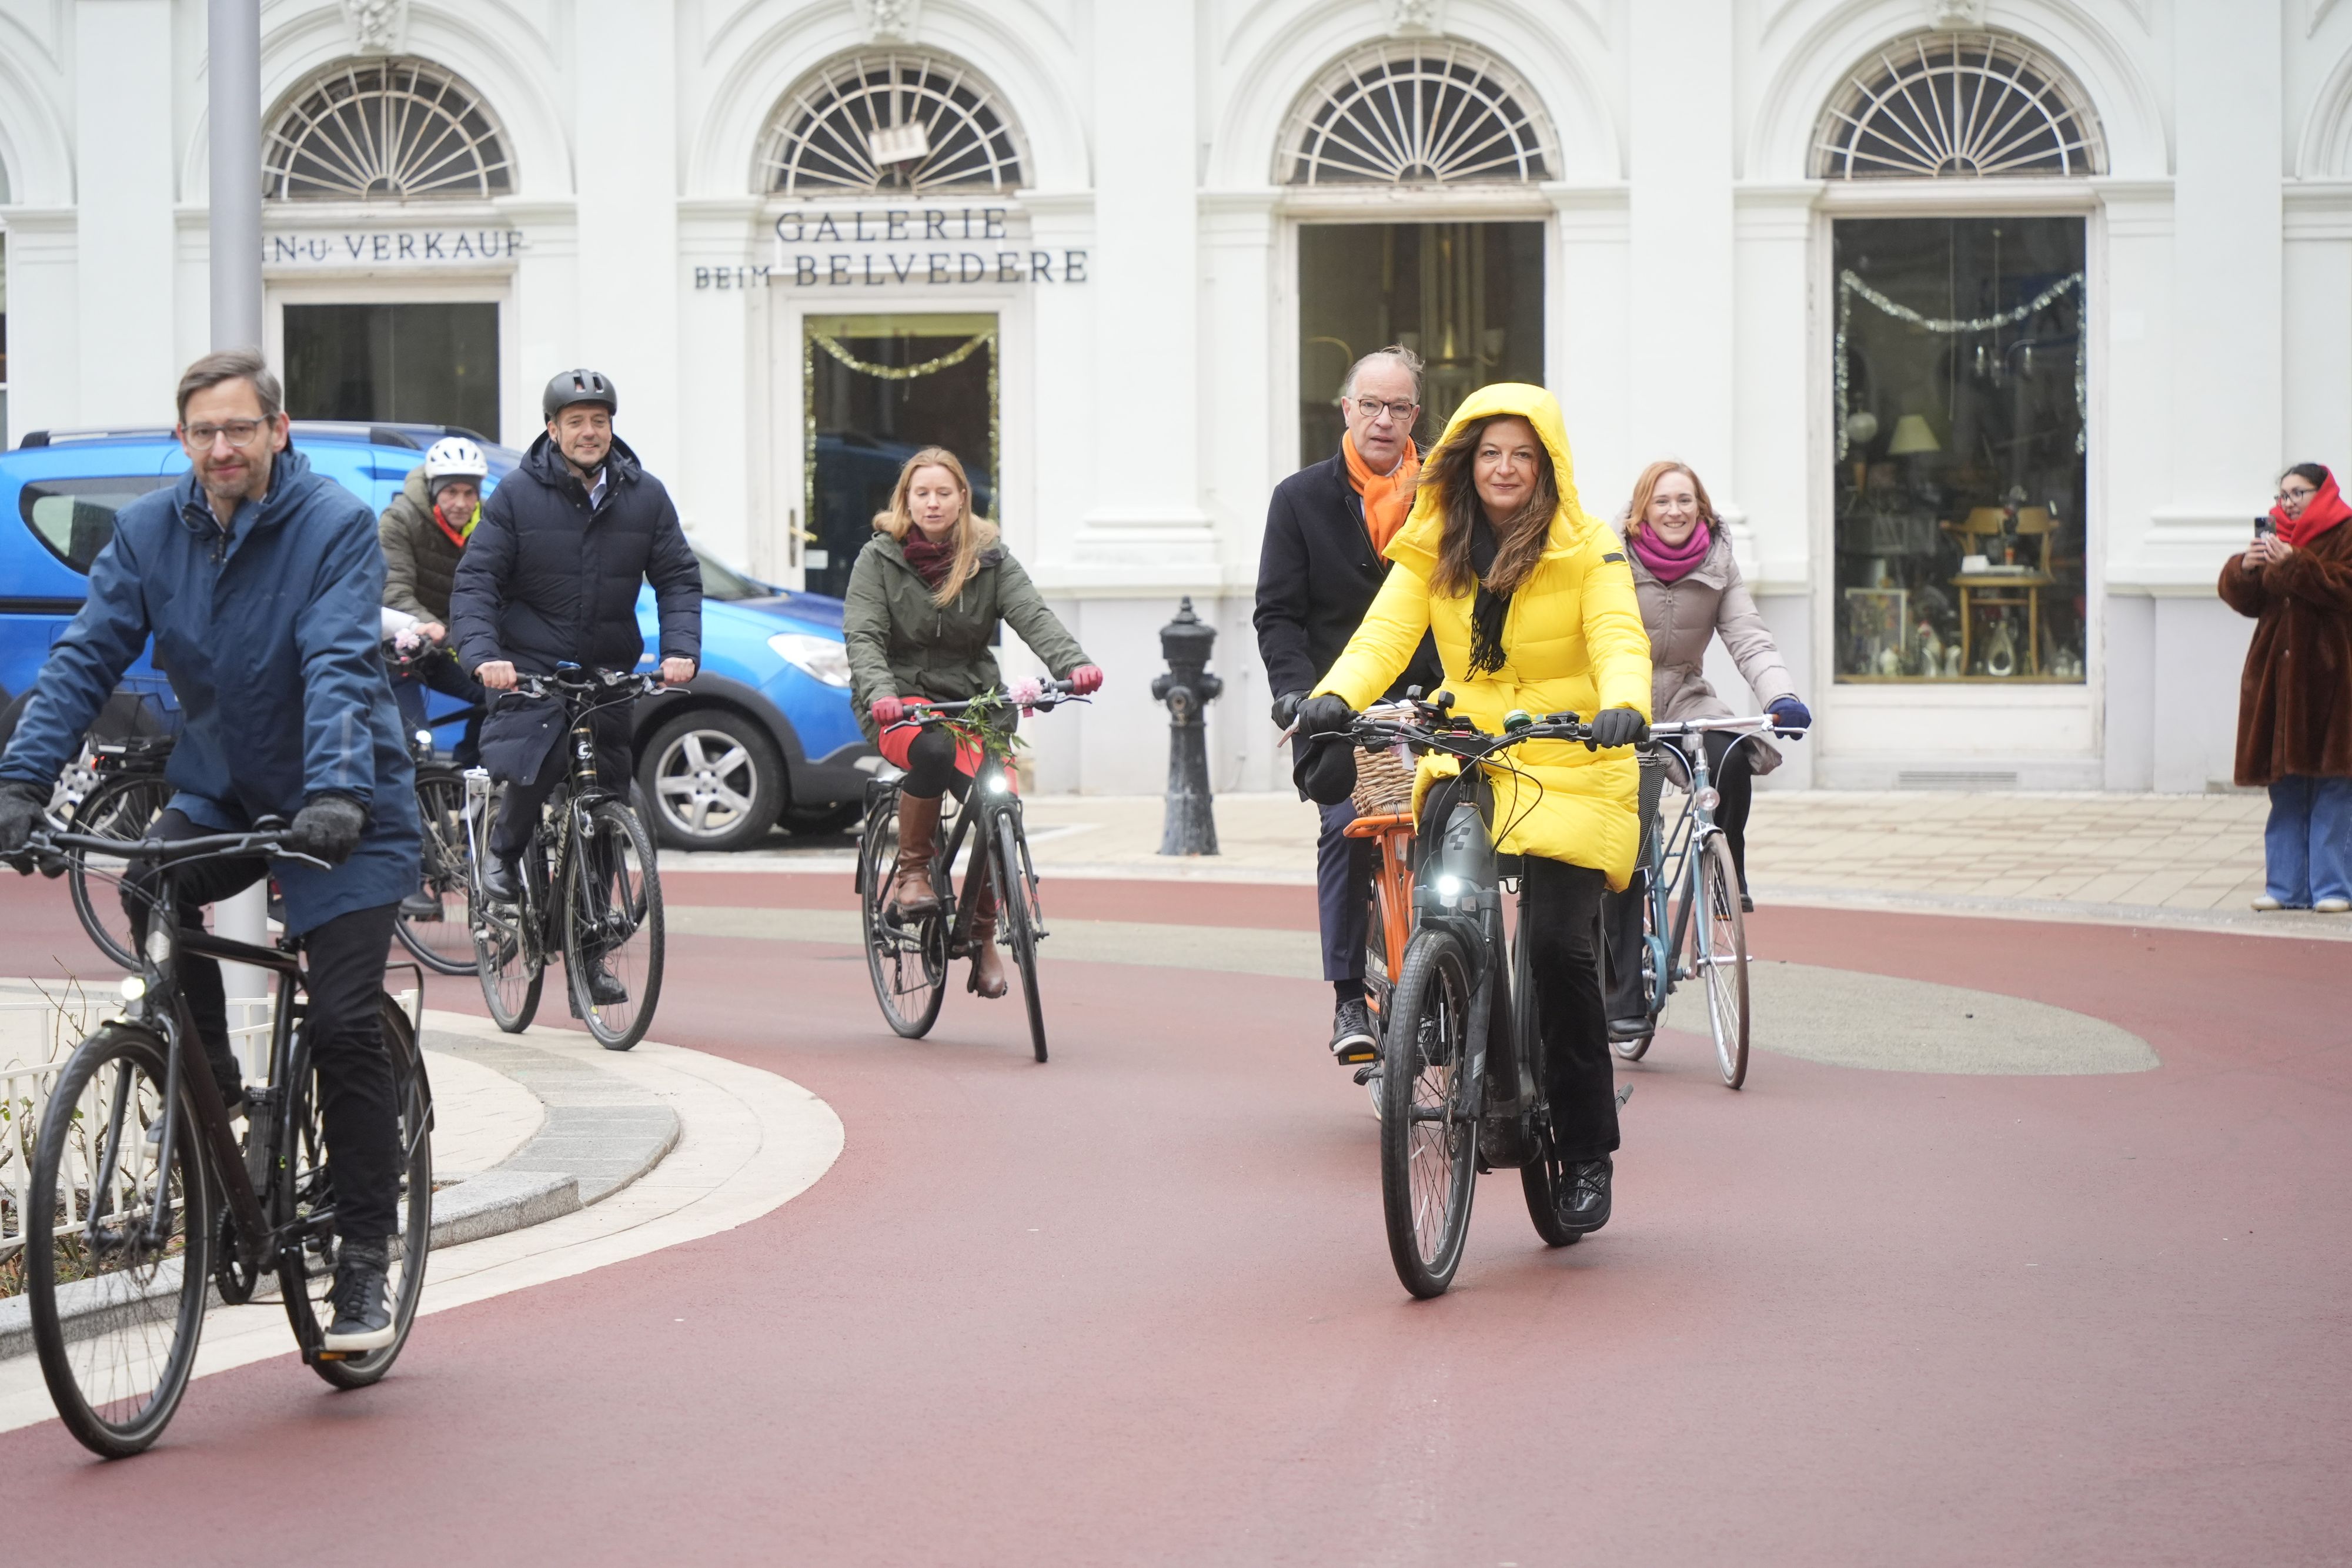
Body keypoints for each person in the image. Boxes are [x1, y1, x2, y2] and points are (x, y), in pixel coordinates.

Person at [0, 350, 419, 1351]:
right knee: (151, 882)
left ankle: (364, 1255)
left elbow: (337, 661)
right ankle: (216, 1081)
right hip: (225, 790)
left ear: (279, 430)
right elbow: (85, 654)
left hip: (347, 803)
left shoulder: (333, 527)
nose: (222, 448)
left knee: (348, 1021)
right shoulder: (149, 532)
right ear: (183, 440)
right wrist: (21, 780)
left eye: (240, 428)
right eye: (203, 432)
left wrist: (332, 792)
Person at [1293, 383, 1650, 1236]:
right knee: (1444, 896)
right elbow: (1380, 637)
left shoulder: (1588, 545)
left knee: (1563, 947)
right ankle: (1445, 1000)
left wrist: (1625, 703)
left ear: (1547, 466)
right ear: (1464, 459)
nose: (1504, 468)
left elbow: (1618, 637)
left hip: (1572, 756)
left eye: (1522, 454)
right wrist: (1332, 695)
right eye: (1489, 452)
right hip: (1474, 748)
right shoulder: (1435, 545)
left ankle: (1588, 1148)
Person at [450, 369, 703, 1002]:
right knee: (532, 767)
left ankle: (590, 962)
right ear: (552, 429)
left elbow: (677, 576)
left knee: (602, 814)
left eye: (599, 421)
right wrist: (484, 656)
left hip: (607, 675)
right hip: (528, 668)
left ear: (611, 427)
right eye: (575, 422)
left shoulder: (644, 495)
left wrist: (680, 650)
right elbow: (476, 580)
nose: (588, 432)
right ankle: (503, 856)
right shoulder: (514, 496)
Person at [843, 446, 1102, 998]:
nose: (932, 503)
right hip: (901, 704)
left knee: (997, 800)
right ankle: (913, 872)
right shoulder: (878, 558)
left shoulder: (989, 558)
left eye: (943, 492)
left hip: (973, 705)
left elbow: (1033, 615)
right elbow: (863, 636)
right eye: (922, 493)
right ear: (906, 500)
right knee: (932, 753)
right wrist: (883, 693)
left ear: (963, 498)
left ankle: (982, 936)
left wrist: (1073, 664)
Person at [1254, 346, 1444, 1064]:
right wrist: (1295, 697)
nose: (1384, 420)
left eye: (1399, 408)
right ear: (1346, 408)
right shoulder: (1299, 498)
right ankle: (1345, 999)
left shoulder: (1446, 498)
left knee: (1457, 833)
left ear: (1415, 417)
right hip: (1336, 712)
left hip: (1432, 707)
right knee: (1347, 826)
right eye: (1371, 405)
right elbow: (1278, 615)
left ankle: (1446, 977)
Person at [1602, 460, 1810, 1034]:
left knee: (1732, 750)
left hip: (1688, 696)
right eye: (1662, 501)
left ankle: (1727, 866)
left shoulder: (1717, 562)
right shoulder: (1608, 556)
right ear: (1641, 509)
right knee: (1619, 850)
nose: (1674, 511)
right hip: (1623, 707)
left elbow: (1747, 635)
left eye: (1685, 500)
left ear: (1702, 508)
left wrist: (1781, 695)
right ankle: (1620, 999)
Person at [2219, 462, 2352, 912]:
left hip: (2333, 677)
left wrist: (2298, 565)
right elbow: (2246, 602)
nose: (2288, 502)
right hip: (2279, 679)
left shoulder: (2346, 531)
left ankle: (2333, 887)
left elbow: (2344, 588)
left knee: (2333, 785)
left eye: (2299, 493)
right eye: (2284, 494)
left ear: (2324, 493)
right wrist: (2246, 568)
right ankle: (2285, 885)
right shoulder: (2277, 539)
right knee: (2287, 788)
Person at [381, 434, 492, 769]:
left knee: (497, 702)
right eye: (450, 492)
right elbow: (395, 593)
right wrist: (432, 628)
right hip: (398, 648)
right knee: (417, 749)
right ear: (433, 491)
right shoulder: (399, 520)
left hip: (447, 645)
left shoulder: (489, 524)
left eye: (469, 492)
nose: (461, 502)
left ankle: (463, 786)